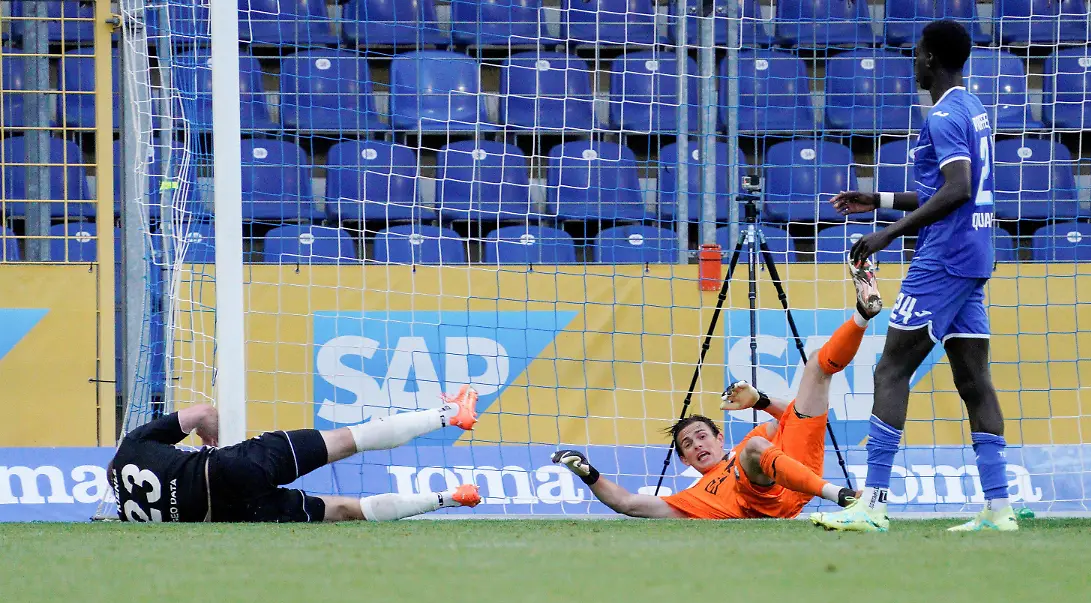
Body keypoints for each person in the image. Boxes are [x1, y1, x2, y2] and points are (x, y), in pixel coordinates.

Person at [814, 19, 1015, 533]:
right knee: (973, 379)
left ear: (930, 58)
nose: (914, 61)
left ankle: (873, 503)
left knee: (890, 371)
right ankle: (999, 507)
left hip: (942, 260)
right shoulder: (973, 108)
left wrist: (887, 234)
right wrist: (877, 201)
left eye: (918, 54)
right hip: (973, 257)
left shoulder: (944, 115)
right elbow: (947, 189)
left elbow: (958, 187)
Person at [552, 263, 883, 518]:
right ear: (683, 460)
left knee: (816, 367)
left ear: (718, 438)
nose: (697, 445)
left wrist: (762, 401)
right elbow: (627, 503)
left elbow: (795, 420)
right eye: (688, 444)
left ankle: (863, 314)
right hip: (771, 499)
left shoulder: (741, 447)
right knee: (755, 446)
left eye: (701, 436)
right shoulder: (693, 499)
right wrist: (589, 473)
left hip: (800, 473)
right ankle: (845, 496)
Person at [107, 386, 483, 523]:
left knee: (344, 511)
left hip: (230, 514)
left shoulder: (133, 517)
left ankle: (450, 498)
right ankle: (449, 414)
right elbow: (204, 414)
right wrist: (213, 440)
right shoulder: (133, 447)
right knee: (348, 441)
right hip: (230, 466)